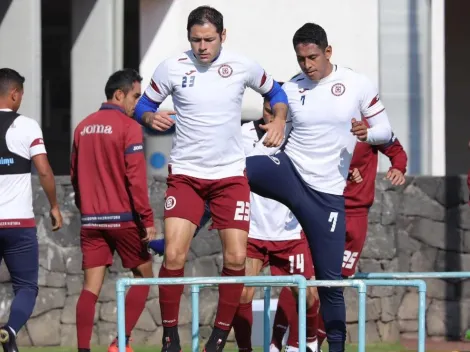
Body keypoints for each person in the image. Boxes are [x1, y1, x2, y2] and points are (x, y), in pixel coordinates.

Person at [134, 6, 288, 352]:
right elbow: (143, 104)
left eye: (208, 39)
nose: (202, 46)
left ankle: (218, 339)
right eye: (195, 40)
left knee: (235, 260)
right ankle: (170, 337)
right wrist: (148, 117)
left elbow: (276, 94)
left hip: (230, 177)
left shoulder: (243, 66)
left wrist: (278, 120)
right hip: (186, 176)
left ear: (223, 36)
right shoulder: (172, 67)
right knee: (173, 255)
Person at [245, 23, 394, 352]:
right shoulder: (293, 88)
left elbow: (386, 130)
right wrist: (279, 120)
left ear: (328, 52)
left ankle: (335, 347)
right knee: (234, 168)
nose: (307, 65)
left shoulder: (355, 84)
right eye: (301, 59)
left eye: (312, 57)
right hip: (289, 172)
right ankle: (201, 222)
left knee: (329, 284)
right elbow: (280, 117)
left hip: (325, 197)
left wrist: (367, 134)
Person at [272, 128, 408, 352]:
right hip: (320, 208)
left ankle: (313, 344)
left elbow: (397, 151)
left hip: (355, 218)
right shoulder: (320, 121)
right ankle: (278, 343)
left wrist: (398, 168)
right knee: (302, 278)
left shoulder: (371, 126)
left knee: (334, 286)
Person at [71, 69, 157, 352]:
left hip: (91, 221)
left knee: (89, 288)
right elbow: (135, 178)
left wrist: (86, 208)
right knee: (144, 277)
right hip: (123, 219)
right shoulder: (129, 127)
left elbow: (74, 176)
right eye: (135, 96)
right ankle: (120, 342)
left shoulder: (82, 126)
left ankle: (83, 349)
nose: (137, 103)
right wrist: (146, 219)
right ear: (119, 95)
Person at [0, 68, 63, 352]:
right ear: (14, 94)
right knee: (26, 286)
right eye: (21, 94)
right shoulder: (26, 126)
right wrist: (54, 206)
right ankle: (10, 330)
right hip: (18, 226)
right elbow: (45, 171)